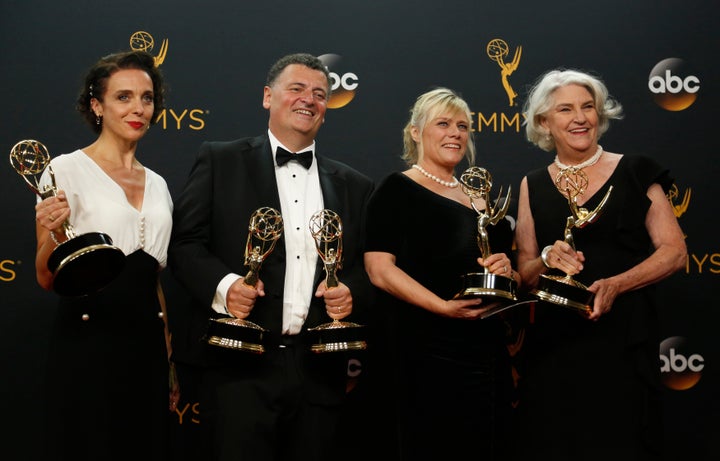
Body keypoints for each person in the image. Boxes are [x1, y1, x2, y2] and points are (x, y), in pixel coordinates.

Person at [168, 52, 375, 461]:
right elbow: (184, 243)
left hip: (319, 374)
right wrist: (225, 288)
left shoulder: (355, 185)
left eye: (319, 93)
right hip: (238, 370)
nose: (309, 100)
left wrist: (352, 293)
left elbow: (367, 270)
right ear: (268, 96)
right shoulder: (220, 159)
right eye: (296, 89)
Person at [513, 69, 687, 460]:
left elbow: (674, 252)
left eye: (588, 107)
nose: (580, 118)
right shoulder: (532, 184)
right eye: (566, 109)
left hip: (622, 340)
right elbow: (523, 273)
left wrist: (617, 284)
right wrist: (544, 259)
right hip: (556, 346)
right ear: (544, 121)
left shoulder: (635, 170)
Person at [34, 50, 179, 461]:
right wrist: (50, 232)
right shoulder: (64, 170)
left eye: (147, 98)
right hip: (89, 345)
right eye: (124, 97)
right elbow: (46, 277)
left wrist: (168, 362)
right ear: (96, 105)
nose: (138, 108)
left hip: (147, 350)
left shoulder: (159, 185)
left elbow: (152, 281)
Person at [363, 87, 520, 460]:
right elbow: (379, 270)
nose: (455, 133)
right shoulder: (396, 189)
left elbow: (504, 271)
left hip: (484, 347)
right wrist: (442, 307)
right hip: (421, 347)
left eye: (463, 126)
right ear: (416, 132)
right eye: (444, 123)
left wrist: (506, 270)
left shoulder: (482, 198)